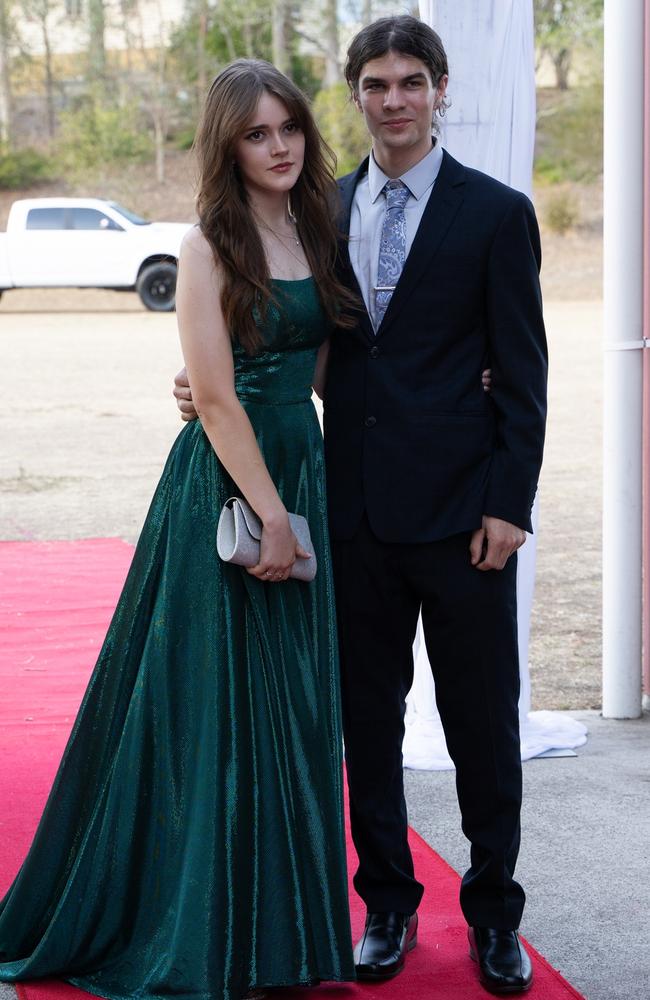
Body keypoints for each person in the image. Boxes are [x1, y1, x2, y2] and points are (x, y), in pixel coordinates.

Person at [174, 14, 548, 997]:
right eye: (374, 84)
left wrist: (508, 503)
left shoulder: (494, 213)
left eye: (409, 83)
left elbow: (522, 374)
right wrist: (201, 384)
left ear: (437, 91)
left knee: (480, 723)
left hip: (466, 518)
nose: (393, 100)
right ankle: (383, 904)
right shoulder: (316, 212)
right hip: (346, 516)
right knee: (364, 726)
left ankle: (493, 913)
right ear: (355, 95)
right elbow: (281, 337)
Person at [0, 60, 358, 999]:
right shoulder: (206, 244)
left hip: (298, 455)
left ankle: (282, 935)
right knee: (214, 707)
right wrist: (274, 517)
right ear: (226, 144)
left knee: (292, 710)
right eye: (257, 133)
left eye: (288, 128)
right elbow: (212, 394)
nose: (278, 146)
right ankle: (206, 929)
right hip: (231, 489)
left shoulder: (314, 225)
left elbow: (321, 372)